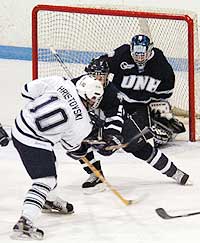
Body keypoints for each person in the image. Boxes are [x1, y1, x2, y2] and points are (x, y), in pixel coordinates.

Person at [71, 57, 190, 195]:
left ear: (107, 76)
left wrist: (109, 138)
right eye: (95, 76)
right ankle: (96, 175)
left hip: (120, 125)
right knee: (77, 142)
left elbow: (115, 121)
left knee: (141, 148)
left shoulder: (111, 94)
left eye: (101, 77)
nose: (98, 81)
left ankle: (174, 172)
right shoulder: (77, 84)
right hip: (91, 122)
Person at [11, 75, 104, 240]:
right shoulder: (83, 123)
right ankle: (25, 221)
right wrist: (90, 143)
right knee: (46, 180)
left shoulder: (60, 82)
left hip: (19, 124)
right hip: (33, 141)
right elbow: (74, 151)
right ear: (90, 97)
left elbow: (26, 91)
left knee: (51, 163)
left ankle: (49, 200)